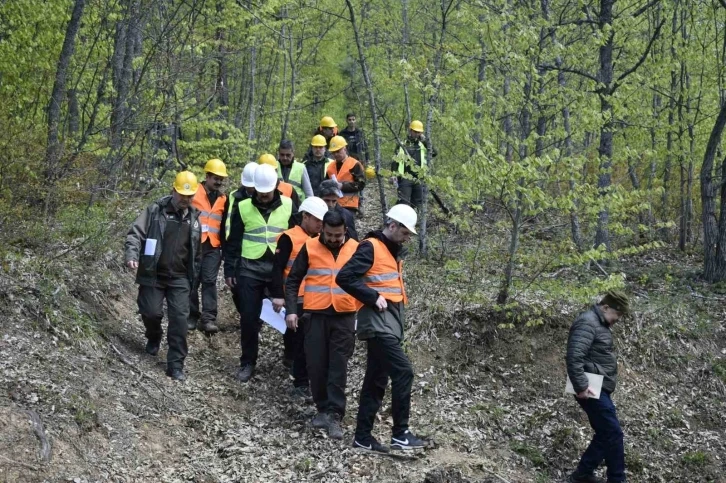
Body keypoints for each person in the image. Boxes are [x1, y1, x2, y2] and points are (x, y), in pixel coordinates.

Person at [336, 204, 426, 454]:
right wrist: (371, 296)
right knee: (404, 372)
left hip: (389, 322)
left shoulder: (391, 250)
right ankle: (400, 434)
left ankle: (363, 438)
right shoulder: (370, 246)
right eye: (405, 232)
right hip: (377, 323)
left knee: (375, 381)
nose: (408, 237)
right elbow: (344, 277)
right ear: (392, 225)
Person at [285, 210, 360, 440]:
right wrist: (291, 311)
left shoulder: (356, 249)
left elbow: (366, 280)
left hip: (344, 315)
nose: (333, 239)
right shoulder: (309, 247)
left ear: (344, 231)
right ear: (323, 230)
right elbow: (293, 280)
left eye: (338, 235)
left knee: (338, 366)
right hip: (315, 315)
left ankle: (335, 414)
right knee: (316, 365)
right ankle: (322, 409)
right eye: (329, 234)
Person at [124, 171, 202, 381]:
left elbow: (197, 253)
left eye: (190, 195)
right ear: (173, 190)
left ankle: (175, 364)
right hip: (154, 273)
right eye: (182, 194)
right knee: (150, 312)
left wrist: (195, 277)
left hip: (180, 278)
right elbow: (135, 234)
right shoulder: (155, 211)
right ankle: (154, 335)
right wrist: (132, 254)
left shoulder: (195, 220)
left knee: (179, 320)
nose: (186, 199)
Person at [224, 164, 295, 383]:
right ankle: (247, 362)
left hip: (279, 269)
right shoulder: (243, 206)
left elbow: (297, 236)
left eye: (267, 193)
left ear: (275, 187)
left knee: (289, 315)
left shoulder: (290, 204)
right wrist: (229, 269)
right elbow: (233, 240)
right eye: (259, 193)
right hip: (249, 269)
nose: (263, 197)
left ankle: (291, 358)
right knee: (248, 317)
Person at [566, 290, 630, 483]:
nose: (617, 319)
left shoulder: (598, 322)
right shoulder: (587, 322)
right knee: (613, 433)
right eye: (616, 315)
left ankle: (582, 474)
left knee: (605, 433)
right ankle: (617, 479)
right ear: (605, 307)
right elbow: (574, 357)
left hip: (596, 384)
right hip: (590, 385)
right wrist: (581, 387)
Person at [269, 197, 329, 401]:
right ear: (305, 216)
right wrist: (278, 295)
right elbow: (277, 268)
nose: (320, 225)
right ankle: (300, 381)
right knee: (299, 340)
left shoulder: (322, 238)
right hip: (296, 297)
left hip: (316, 298)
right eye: (317, 220)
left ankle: (303, 376)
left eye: (323, 221)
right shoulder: (289, 237)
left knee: (310, 342)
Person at [188, 158, 228, 333]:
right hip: (194, 244)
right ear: (207, 176)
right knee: (192, 280)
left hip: (213, 245)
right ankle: (191, 315)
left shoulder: (223, 199)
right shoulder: (193, 191)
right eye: (215, 178)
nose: (218, 182)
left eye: (221, 179)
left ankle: (209, 319)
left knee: (210, 281)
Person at [224, 162, 258, 315]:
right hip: (238, 251)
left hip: (259, 255)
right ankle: (247, 316)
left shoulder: (270, 199)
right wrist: (229, 267)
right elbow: (228, 228)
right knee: (237, 290)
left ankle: (254, 321)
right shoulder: (233, 198)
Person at [391, 120, 437, 210]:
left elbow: (434, 153)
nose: (417, 134)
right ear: (410, 130)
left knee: (417, 204)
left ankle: (413, 223)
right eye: (415, 132)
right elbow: (394, 161)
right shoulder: (402, 144)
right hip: (404, 178)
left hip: (419, 178)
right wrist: (393, 175)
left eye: (419, 132)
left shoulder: (422, 144)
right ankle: (400, 223)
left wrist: (425, 141)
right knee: (403, 202)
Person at [325, 136, 366, 216]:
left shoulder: (355, 164)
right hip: (333, 204)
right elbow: (325, 184)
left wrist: (342, 186)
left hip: (349, 205)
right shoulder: (330, 167)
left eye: (338, 151)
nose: (336, 154)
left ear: (345, 148)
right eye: (333, 152)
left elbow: (361, 184)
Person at [339, 113, 369, 217]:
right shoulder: (342, 134)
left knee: (360, 184)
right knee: (348, 183)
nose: (351, 121)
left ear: (355, 120)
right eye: (349, 119)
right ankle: (347, 205)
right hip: (346, 162)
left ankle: (359, 206)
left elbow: (365, 147)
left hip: (359, 162)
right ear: (346, 121)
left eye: (353, 119)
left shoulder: (360, 133)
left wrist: (367, 160)